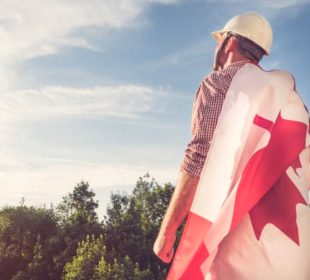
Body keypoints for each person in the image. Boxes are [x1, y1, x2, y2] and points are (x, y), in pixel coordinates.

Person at [153, 12, 310, 279]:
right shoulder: (291, 99)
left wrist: (168, 232)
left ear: (229, 43)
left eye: (220, 41)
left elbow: (199, 156)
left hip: (242, 246)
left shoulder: (220, 85)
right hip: (295, 249)